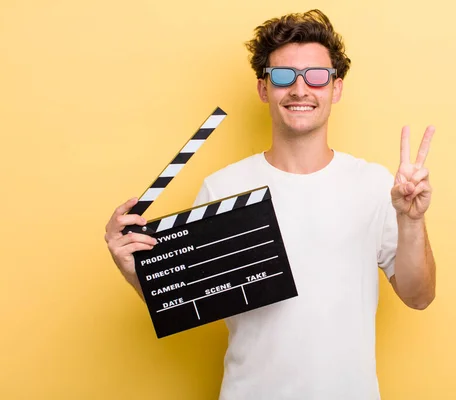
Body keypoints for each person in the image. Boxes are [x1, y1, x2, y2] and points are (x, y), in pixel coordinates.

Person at [104, 9, 436, 400]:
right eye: (283, 77)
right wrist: (136, 271)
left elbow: (419, 296)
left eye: (316, 76)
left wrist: (411, 221)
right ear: (264, 89)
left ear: (336, 88)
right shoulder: (223, 188)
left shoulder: (375, 184)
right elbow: (186, 304)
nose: (300, 90)